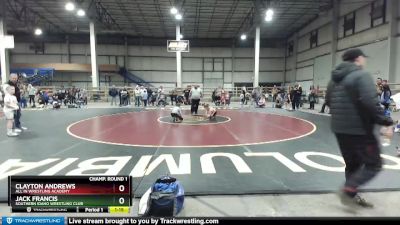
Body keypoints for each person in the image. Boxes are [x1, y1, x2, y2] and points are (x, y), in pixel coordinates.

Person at [325, 48, 393, 208]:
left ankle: (351, 197)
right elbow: (370, 102)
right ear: (358, 59)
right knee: (374, 164)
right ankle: (348, 189)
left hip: (339, 129)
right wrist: (386, 122)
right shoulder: (362, 76)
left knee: (352, 165)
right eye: (364, 58)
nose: (365, 61)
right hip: (360, 131)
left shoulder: (333, 80)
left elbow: (328, 101)